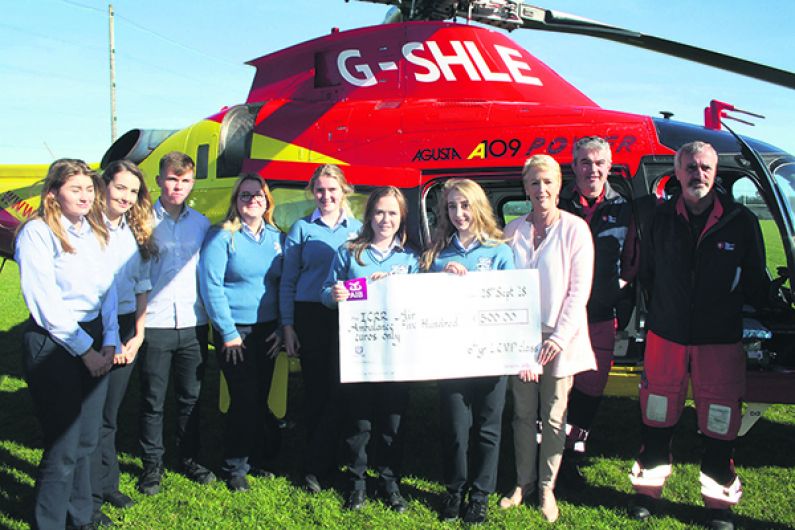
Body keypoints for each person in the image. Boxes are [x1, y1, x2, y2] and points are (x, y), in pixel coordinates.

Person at [628, 141, 770, 530]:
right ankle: (646, 492)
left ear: (715, 172)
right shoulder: (659, 219)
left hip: (719, 341)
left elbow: (755, 280)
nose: (698, 174)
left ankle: (718, 503)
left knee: (720, 425)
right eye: (690, 167)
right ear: (677, 172)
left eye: (705, 167)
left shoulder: (741, 221)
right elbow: (649, 275)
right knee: (656, 419)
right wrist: (666, 312)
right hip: (666, 337)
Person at [15, 159, 118, 529]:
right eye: (76, 188)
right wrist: (86, 351)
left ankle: (81, 515)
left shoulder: (94, 231)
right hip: (54, 342)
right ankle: (49, 521)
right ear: (54, 192)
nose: (86, 195)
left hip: (93, 338)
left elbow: (109, 289)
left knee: (88, 440)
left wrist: (110, 340)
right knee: (63, 445)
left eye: (90, 188)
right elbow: (45, 303)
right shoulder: (37, 233)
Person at [500, 155, 596, 522]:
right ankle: (522, 483)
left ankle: (546, 488)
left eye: (548, 182)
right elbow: (502, 285)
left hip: (561, 338)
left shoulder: (575, 230)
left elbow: (578, 291)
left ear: (559, 186)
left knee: (555, 416)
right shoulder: (511, 230)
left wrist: (558, 336)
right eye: (534, 183)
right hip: (522, 339)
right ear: (525, 188)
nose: (541, 189)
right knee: (522, 413)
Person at [420, 179, 515, 524]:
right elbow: (420, 301)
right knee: (456, 427)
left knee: (489, 428)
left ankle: (480, 495)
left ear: (478, 206)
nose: (459, 213)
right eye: (451, 207)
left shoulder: (500, 251)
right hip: (451, 357)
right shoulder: (437, 253)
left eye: (464, 205)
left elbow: (512, 303)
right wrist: (440, 275)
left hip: (491, 356)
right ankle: (454, 490)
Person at [321, 186, 419, 512]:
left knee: (393, 423)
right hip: (359, 356)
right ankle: (357, 483)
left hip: (397, 357)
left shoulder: (411, 258)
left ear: (401, 216)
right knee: (359, 423)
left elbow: (421, 303)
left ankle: (390, 483)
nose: (385, 219)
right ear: (369, 216)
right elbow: (325, 293)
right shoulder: (350, 253)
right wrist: (335, 294)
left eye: (392, 213)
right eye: (379, 212)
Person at [557, 136, 639, 486]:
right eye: (585, 162)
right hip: (560, 317)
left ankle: (574, 453)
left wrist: (615, 295)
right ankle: (549, 453)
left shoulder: (626, 208)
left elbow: (634, 261)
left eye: (599, 162)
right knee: (559, 388)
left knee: (591, 390)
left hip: (601, 316)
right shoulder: (557, 206)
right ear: (573, 166)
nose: (593, 169)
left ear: (610, 166)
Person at [279, 164, 362, 493]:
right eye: (320, 190)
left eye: (332, 190)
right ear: (312, 192)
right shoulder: (302, 229)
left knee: (343, 390)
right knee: (316, 392)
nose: (326, 196)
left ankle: (339, 458)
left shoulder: (358, 230)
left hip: (348, 313)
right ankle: (312, 465)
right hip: (311, 315)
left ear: (345, 191)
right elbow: (288, 280)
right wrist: (287, 325)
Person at [199, 174, 284, 492]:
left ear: (267, 201)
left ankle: (260, 454)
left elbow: (281, 284)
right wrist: (227, 331)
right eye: (245, 195)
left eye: (258, 195)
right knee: (244, 398)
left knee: (258, 396)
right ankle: (235, 465)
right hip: (234, 333)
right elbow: (211, 286)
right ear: (236, 200)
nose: (252, 200)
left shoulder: (277, 238)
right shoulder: (222, 236)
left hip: (268, 331)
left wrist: (280, 326)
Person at [137, 151, 215, 495]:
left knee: (190, 398)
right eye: (171, 179)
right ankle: (152, 467)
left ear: (192, 183)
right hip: (154, 323)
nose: (177, 186)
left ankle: (188, 458)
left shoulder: (201, 224)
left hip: (193, 323)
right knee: (153, 401)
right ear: (158, 181)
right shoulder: (140, 221)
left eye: (184, 180)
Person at [91, 160, 157, 517]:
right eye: (120, 188)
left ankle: (106, 484)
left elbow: (142, 286)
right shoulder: (87, 231)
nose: (127, 197)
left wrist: (139, 334)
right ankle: (89, 494)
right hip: (94, 327)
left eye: (133, 191)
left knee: (110, 413)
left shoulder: (135, 232)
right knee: (91, 415)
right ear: (104, 187)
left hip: (127, 325)